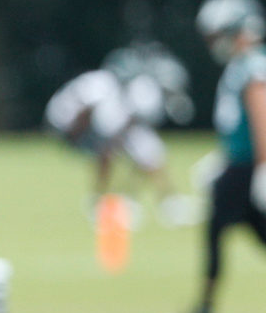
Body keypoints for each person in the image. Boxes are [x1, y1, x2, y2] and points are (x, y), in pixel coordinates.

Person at [161, 0, 266, 313]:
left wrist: (263, 168)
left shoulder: (253, 65)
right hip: (239, 165)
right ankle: (203, 312)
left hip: (247, 168)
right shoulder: (243, 65)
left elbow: (261, 117)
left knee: (215, 232)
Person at [44, 42, 199, 228]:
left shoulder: (120, 90)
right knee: (110, 151)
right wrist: (76, 135)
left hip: (80, 125)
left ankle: (155, 200)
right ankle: (101, 201)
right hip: (68, 126)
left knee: (145, 150)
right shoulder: (103, 84)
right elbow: (86, 112)